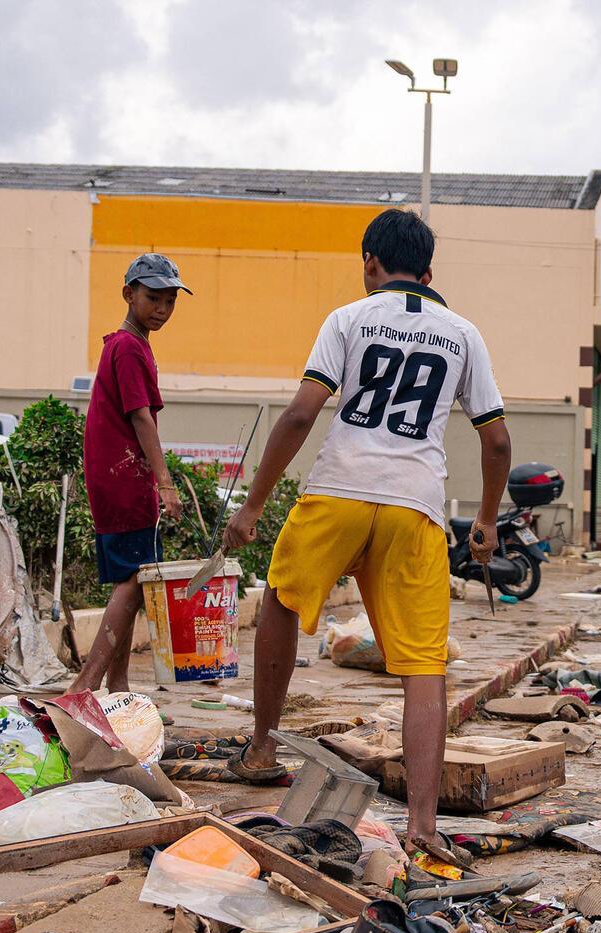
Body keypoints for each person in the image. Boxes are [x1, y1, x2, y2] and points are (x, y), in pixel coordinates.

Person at [221, 209, 508, 867]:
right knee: (424, 666)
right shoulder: (463, 334)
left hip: (339, 492)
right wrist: (488, 520)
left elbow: (301, 414)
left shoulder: (348, 319)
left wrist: (253, 504)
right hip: (415, 506)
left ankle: (262, 748)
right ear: (428, 273)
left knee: (281, 603)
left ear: (370, 264)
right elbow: (496, 440)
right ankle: (423, 827)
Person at [74, 253, 190, 693]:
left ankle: (118, 686)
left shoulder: (130, 345)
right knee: (137, 580)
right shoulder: (127, 347)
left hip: (116, 476)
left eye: (170, 301)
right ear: (129, 294)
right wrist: (165, 483)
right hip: (125, 480)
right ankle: (84, 686)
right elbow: (141, 418)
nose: (162, 309)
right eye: (153, 298)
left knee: (131, 580)